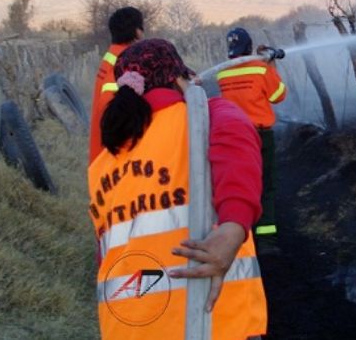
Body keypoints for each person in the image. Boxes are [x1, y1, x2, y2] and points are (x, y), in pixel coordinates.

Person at [88, 39, 267, 339]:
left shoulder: (102, 164)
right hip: (214, 320)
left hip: (127, 327)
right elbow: (237, 152)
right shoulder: (209, 116)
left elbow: (103, 253)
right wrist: (234, 227)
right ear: (179, 79)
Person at [216, 27, 287, 250]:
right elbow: (278, 96)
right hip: (260, 136)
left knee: (242, 185)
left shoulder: (223, 73)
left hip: (235, 136)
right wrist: (271, 64)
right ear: (249, 46)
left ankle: (243, 238)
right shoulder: (260, 69)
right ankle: (266, 241)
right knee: (266, 186)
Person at [88, 6, 144, 163]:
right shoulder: (125, 62)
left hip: (102, 155)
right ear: (137, 32)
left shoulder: (112, 55)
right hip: (114, 159)